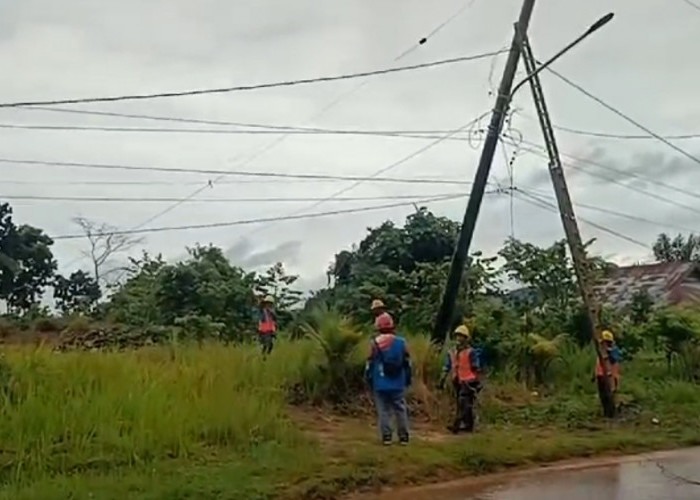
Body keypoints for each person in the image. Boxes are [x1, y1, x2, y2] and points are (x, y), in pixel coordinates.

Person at [365, 312, 412, 446]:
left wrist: (368, 378)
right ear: (392, 326)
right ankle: (403, 437)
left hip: (380, 382)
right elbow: (407, 361)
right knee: (400, 409)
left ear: (378, 327)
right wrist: (408, 379)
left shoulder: (375, 343)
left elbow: (369, 362)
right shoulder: (401, 342)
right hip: (398, 382)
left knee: (383, 410)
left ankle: (387, 437)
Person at [440, 325, 482, 434]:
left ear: (466, 338)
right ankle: (468, 426)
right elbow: (447, 366)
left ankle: (456, 425)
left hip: (469, 381)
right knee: (463, 404)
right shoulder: (452, 352)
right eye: (457, 336)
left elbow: (476, 368)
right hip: (457, 380)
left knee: (464, 403)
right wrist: (442, 379)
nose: (459, 338)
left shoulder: (471, 352)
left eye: (461, 336)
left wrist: (477, 382)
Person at [594, 329, 622, 418]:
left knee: (610, 395)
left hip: (610, 377)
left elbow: (615, 360)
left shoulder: (614, 351)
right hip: (600, 376)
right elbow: (598, 364)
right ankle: (605, 413)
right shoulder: (601, 352)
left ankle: (612, 414)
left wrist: (609, 351)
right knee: (603, 396)